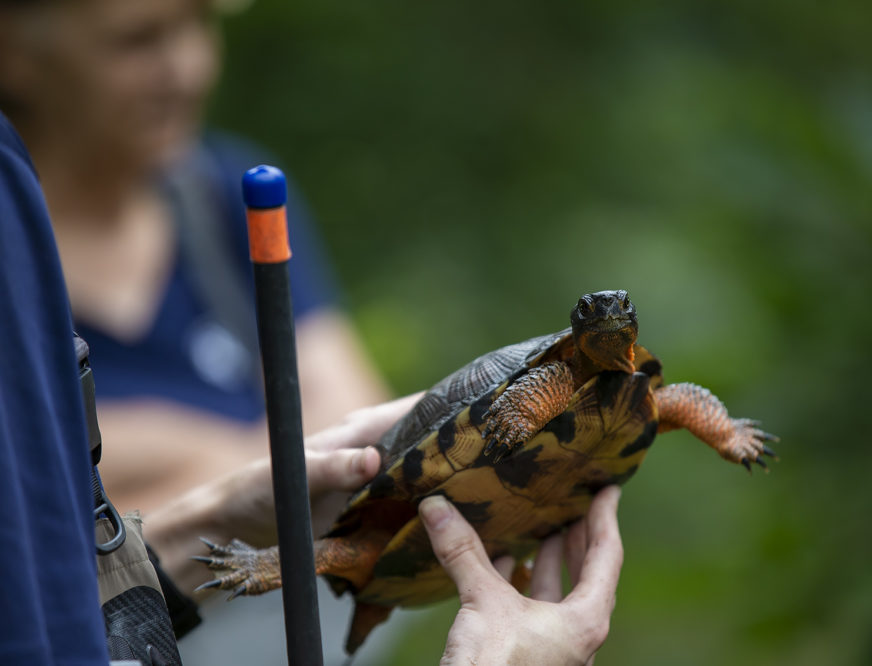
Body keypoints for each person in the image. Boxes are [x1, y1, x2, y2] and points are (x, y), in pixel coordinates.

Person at [0, 109, 624, 665]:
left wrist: (206, 510)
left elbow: (49, 613)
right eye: (133, 39)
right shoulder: (15, 198)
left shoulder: (207, 190)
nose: (181, 63)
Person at [0, 0, 390, 516]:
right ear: (14, 53)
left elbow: (362, 434)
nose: (189, 70)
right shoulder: (14, 257)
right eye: (136, 40)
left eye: (200, 24)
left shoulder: (232, 195)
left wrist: (160, 456)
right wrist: (248, 461)